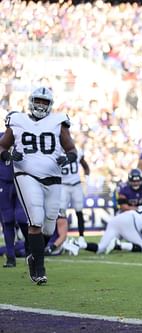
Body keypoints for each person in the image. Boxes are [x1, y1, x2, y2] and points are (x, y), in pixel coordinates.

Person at [0, 86, 78, 285]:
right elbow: (2, 146)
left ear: (50, 105)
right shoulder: (17, 120)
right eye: (38, 101)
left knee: (49, 225)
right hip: (25, 174)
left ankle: (33, 256)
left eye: (45, 102)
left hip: (53, 177)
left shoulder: (58, 122)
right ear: (31, 101)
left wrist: (67, 158)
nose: (41, 105)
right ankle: (39, 270)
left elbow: (72, 150)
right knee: (36, 218)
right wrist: (8, 155)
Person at [75, 202, 142, 255]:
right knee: (141, 247)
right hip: (130, 221)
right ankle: (118, 245)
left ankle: (78, 244)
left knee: (101, 248)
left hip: (118, 218)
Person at [0, 132, 28, 267]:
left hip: (21, 181)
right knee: (8, 220)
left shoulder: (25, 138)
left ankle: (31, 251)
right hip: (3, 183)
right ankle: (11, 257)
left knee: (22, 218)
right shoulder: (2, 138)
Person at [60, 148, 90, 247]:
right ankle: (62, 237)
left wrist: (87, 177)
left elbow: (85, 165)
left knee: (79, 211)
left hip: (76, 185)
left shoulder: (77, 152)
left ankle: (81, 236)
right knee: (61, 212)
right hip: (63, 185)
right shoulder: (56, 152)